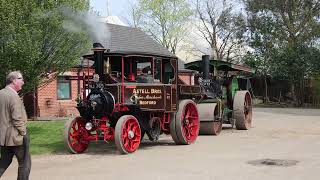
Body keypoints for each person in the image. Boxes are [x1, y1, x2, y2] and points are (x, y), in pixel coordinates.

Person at [0, 71, 31, 180]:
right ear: (14, 80)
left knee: (4, 162)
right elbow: (17, 119)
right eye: (21, 79)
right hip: (16, 137)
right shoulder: (14, 97)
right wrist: (24, 132)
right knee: (24, 164)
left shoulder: (1, 93)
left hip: (3, 138)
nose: (23, 82)